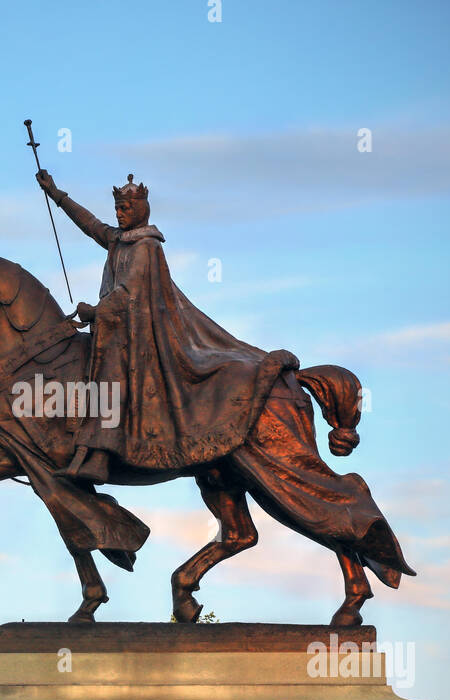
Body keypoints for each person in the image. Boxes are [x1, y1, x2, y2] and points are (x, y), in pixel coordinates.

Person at [35, 169, 296, 484]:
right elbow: (91, 225)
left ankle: (100, 457)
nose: (119, 214)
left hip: (138, 333)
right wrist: (56, 194)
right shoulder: (119, 240)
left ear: (141, 209)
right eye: (117, 209)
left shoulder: (146, 245)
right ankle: (85, 450)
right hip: (114, 328)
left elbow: (128, 293)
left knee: (111, 381)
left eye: (126, 209)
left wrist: (95, 311)